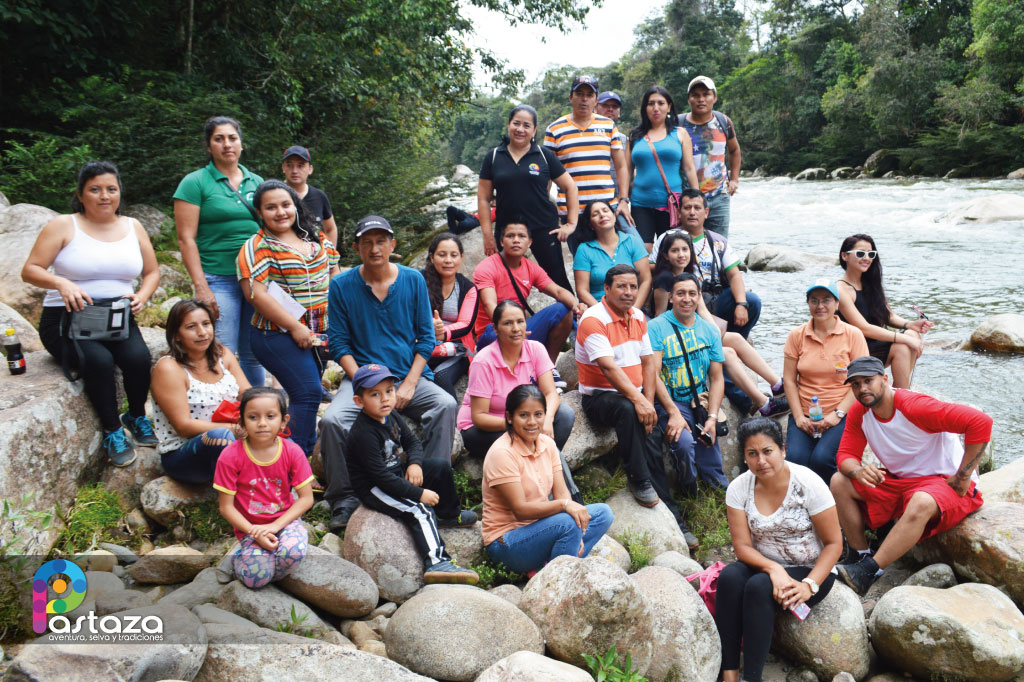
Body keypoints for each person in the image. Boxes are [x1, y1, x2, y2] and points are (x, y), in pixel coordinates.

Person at [320, 215, 457, 531]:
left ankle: (430, 488)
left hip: (406, 375)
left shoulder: (412, 280)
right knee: (332, 421)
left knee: (445, 405)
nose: (374, 248)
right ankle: (344, 498)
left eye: (381, 241)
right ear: (356, 248)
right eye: (366, 242)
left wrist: (409, 384)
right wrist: (363, 384)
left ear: (392, 245)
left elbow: (426, 338)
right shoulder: (341, 285)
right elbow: (338, 344)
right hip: (362, 377)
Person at [21, 161, 160, 466]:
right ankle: (112, 431)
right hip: (67, 318)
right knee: (100, 361)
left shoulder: (133, 226)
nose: (104, 196)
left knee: (138, 359)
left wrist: (142, 296)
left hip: (117, 318)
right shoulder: (62, 225)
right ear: (81, 194)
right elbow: (29, 271)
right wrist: (60, 282)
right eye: (94, 189)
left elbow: (151, 272)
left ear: (120, 192)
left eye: (111, 189)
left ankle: (136, 415)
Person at [831, 356, 989, 595]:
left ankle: (870, 571)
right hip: (903, 482)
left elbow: (980, 422)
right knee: (840, 481)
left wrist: (964, 476)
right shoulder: (860, 411)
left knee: (922, 500)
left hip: (941, 481)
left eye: (868, 381)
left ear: (885, 379)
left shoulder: (914, 406)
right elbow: (845, 455)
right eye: (855, 384)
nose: (862, 389)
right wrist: (858, 470)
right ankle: (860, 555)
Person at [717, 418, 842, 682]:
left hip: (811, 570)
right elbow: (742, 547)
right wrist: (774, 568)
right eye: (752, 454)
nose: (761, 460)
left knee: (758, 587)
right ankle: (728, 673)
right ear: (744, 457)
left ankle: (752, 678)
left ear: (783, 450)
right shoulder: (740, 488)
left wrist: (809, 585)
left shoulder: (808, 483)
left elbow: (834, 544)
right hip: (765, 563)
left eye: (767, 451)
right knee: (729, 578)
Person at [345, 364, 480, 584]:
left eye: (389, 391)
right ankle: (436, 562)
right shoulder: (363, 434)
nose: (385, 399)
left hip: (394, 473)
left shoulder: (391, 416)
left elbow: (412, 442)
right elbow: (381, 477)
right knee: (419, 509)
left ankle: (447, 514)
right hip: (374, 487)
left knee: (438, 465)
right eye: (374, 394)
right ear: (359, 402)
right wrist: (419, 494)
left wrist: (415, 464)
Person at [576, 264, 685, 527]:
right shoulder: (593, 319)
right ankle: (638, 479)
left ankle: (674, 511)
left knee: (654, 432)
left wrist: (650, 403)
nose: (628, 292)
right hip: (601, 397)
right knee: (629, 411)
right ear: (606, 289)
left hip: (635, 394)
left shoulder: (637, 316)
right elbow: (608, 368)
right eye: (621, 286)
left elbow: (649, 363)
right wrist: (640, 403)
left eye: (633, 287)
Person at [237, 180, 340, 458]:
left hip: (319, 331)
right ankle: (294, 464)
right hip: (275, 334)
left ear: (295, 205)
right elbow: (255, 294)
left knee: (306, 396)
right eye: (271, 207)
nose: (280, 212)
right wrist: (295, 326)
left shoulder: (315, 236)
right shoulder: (256, 246)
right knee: (308, 392)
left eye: (286, 205)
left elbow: (334, 270)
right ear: (260, 212)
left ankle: (300, 453)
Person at [649, 231, 788, 418]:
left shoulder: (689, 275)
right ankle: (764, 404)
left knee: (736, 338)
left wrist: (714, 335)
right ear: (665, 255)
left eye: (684, 249)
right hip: (674, 339)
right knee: (728, 353)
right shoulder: (664, 279)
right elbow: (659, 316)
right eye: (675, 250)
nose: (681, 254)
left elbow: (703, 311)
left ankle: (777, 385)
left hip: (692, 330)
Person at [482, 384, 614, 574]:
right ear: (510, 417)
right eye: (523, 415)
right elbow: (520, 510)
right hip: (507, 542)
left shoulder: (547, 444)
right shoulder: (502, 453)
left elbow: (562, 493)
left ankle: (546, 565)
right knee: (568, 523)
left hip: (542, 528)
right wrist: (565, 508)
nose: (532, 422)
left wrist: (576, 529)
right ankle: (557, 579)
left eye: (538, 414)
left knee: (603, 513)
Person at [173, 116, 265, 386]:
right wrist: (201, 287)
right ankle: (219, 416)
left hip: (255, 279)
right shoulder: (195, 183)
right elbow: (185, 239)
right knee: (219, 349)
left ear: (241, 144)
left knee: (253, 353)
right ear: (208, 146)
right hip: (218, 279)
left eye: (232, 138)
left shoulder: (256, 181)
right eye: (219, 139)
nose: (227, 144)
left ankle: (257, 413)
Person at [457, 301, 581, 500]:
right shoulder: (484, 361)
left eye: (520, 322)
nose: (515, 329)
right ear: (496, 329)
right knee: (538, 441)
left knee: (564, 415)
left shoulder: (535, 349)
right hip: (483, 428)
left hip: (525, 419)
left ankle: (546, 484)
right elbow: (479, 417)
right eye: (507, 323)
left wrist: (546, 420)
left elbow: (551, 394)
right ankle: (566, 499)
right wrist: (523, 426)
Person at [214, 387, 314, 589]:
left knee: (291, 552)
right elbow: (226, 507)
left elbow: (306, 498)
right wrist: (254, 532)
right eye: (253, 417)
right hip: (249, 527)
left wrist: (275, 527)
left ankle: (266, 564)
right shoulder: (230, 456)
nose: (262, 423)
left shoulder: (292, 451)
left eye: (270, 416)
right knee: (255, 579)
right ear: (241, 421)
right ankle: (238, 559)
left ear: (283, 420)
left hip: (284, 522)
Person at [473, 218, 586, 387]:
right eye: (510, 236)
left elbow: (558, 291)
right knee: (494, 328)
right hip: (492, 334)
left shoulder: (530, 267)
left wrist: (577, 306)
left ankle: (547, 367)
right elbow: (491, 307)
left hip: (520, 331)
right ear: (502, 241)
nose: (516, 240)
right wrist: (516, 327)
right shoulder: (487, 268)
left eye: (521, 236)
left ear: (530, 242)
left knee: (563, 309)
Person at [478, 105, 579, 291]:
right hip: (507, 231)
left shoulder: (543, 155)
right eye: (516, 123)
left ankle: (573, 318)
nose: (520, 129)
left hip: (543, 228)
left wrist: (571, 224)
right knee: (504, 282)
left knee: (558, 281)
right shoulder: (493, 157)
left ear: (534, 130)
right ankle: (511, 320)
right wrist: (487, 236)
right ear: (508, 125)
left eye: (526, 125)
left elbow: (570, 187)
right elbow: (484, 199)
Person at [648, 274, 728, 504]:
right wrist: (672, 412)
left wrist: (712, 416)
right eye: (680, 293)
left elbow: (717, 378)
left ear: (699, 297)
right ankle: (690, 495)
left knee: (709, 440)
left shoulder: (709, 331)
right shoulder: (656, 327)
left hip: (698, 400)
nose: (686, 299)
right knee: (682, 443)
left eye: (692, 293)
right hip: (670, 401)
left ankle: (721, 498)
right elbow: (653, 375)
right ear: (671, 297)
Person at [151, 299, 251, 483]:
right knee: (221, 437)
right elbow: (183, 426)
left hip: (235, 438)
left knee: (269, 416)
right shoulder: (169, 368)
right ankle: (241, 501)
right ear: (177, 335)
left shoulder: (222, 354)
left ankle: (299, 484)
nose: (202, 332)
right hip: (185, 454)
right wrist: (237, 429)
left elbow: (248, 395)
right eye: (191, 327)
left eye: (206, 324)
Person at [783, 278, 869, 482]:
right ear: (808, 304)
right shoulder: (797, 335)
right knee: (796, 460)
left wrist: (837, 414)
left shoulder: (852, 334)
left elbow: (862, 380)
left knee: (822, 459)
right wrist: (798, 417)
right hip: (805, 412)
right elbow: (788, 380)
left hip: (842, 412)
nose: (820, 306)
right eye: (814, 300)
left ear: (838, 304)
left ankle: (830, 505)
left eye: (826, 300)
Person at [544, 75, 633, 255]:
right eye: (579, 94)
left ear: (595, 100)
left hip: (608, 208)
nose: (584, 99)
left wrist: (624, 200)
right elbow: (547, 175)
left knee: (630, 253)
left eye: (589, 95)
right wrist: (546, 208)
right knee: (584, 264)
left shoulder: (608, 126)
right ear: (571, 97)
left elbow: (622, 166)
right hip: (572, 213)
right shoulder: (554, 129)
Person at [657, 190, 760, 339]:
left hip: (714, 298)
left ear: (706, 212)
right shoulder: (666, 238)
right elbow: (652, 268)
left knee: (752, 301)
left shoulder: (718, 241)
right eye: (687, 208)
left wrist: (741, 304)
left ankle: (734, 341)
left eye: (697, 208)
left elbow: (734, 275)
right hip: (683, 298)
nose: (692, 212)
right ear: (679, 212)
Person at [836, 234, 931, 389]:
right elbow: (864, 328)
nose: (866, 258)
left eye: (871, 254)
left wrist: (911, 324)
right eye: (860, 253)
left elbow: (889, 316)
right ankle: (901, 395)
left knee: (912, 334)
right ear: (844, 256)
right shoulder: (841, 289)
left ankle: (899, 391)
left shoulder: (871, 284)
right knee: (903, 344)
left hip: (876, 344)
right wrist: (904, 339)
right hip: (857, 348)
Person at [625, 85, 699, 250]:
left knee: (671, 250)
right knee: (644, 251)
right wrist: (623, 199)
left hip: (672, 204)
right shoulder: (635, 136)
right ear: (645, 108)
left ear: (669, 106)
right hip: (640, 203)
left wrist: (696, 199)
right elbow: (626, 170)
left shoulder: (679, 133)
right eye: (651, 103)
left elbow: (689, 169)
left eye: (661, 103)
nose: (656, 108)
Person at [679, 76, 741, 240]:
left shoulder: (723, 121)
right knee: (686, 247)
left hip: (719, 197)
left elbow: (734, 150)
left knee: (719, 246)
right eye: (696, 95)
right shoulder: (678, 124)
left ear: (714, 97)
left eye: (706, 94)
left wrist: (734, 180)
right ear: (689, 99)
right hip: (687, 199)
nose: (701, 99)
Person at [421, 232, 478, 398]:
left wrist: (442, 332)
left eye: (454, 255)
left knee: (441, 376)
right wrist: (428, 329)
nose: (448, 260)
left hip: (456, 349)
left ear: (461, 257)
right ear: (431, 257)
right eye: (442, 255)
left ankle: (454, 422)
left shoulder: (468, 288)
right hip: (422, 344)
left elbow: (466, 324)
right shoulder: (418, 281)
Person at [573, 200, 651, 309]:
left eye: (605, 210)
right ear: (590, 224)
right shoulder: (584, 250)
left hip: (631, 307)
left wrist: (634, 311)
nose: (602, 215)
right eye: (595, 214)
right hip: (599, 310)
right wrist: (604, 313)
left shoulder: (632, 242)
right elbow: (582, 290)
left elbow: (646, 280)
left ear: (614, 216)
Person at [281, 145, 338, 246]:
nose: (295, 171)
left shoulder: (319, 196)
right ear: (283, 167)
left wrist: (331, 257)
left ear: (310, 169)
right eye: (290, 165)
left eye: (300, 165)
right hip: (282, 256)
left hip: (314, 258)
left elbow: (330, 229)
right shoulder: (274, 195)